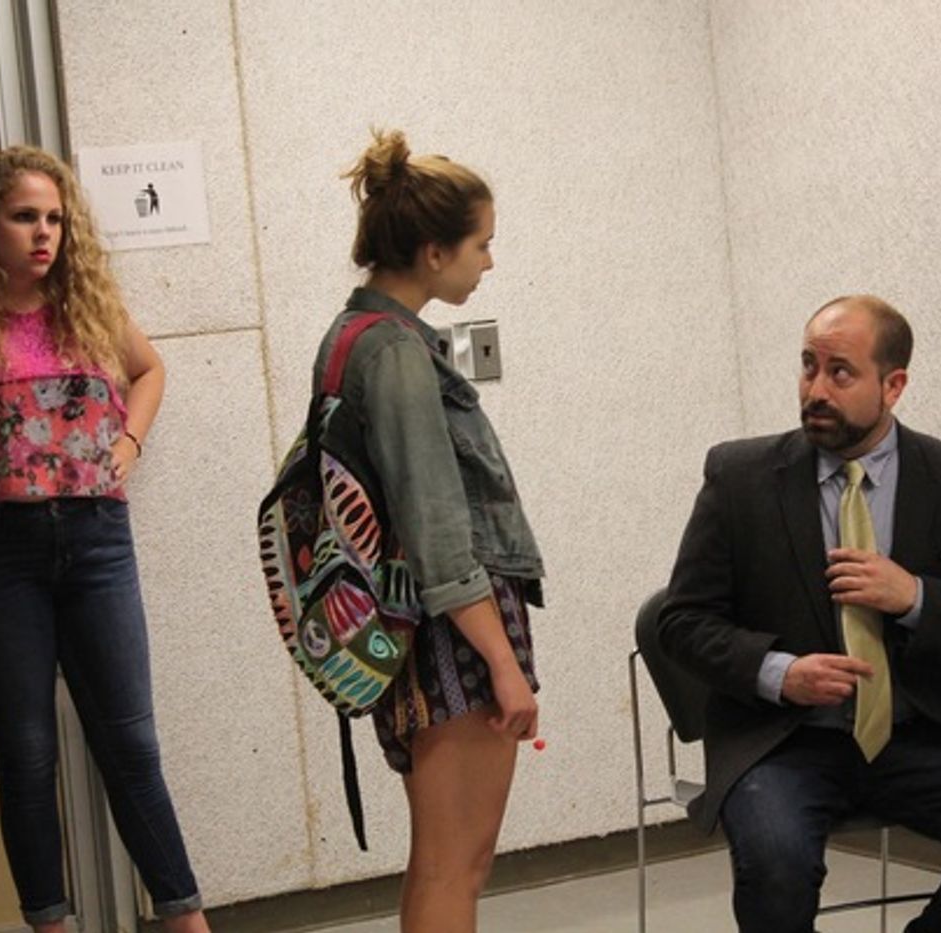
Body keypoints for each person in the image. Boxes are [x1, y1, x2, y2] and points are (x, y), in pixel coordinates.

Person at [657, 295, 941, 933]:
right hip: (784, 740)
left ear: (892, 385)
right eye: (808, 366)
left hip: (917, 732)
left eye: (839, 372)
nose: (816, 388)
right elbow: (680, 621)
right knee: (777, 861)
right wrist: (779, 671)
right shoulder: (741, 477)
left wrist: (916, 597)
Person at [0, 147, 208, 931]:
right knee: (26, 755)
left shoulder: (85, 305)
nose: (43, 233)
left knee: (130, 744)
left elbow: (148, 370)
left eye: (54, 217)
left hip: (97, 542)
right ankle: (51, 924)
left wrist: (128, 444)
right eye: (25, 216)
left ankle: (185, 918)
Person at [315, 128, 544, 932]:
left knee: (439, 863)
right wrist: (504, 666)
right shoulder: (398, 352)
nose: (488, 262)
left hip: (414, 626)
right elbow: (439, 531)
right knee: (459, 866)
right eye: (481, 244)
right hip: (455, 633)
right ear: (432, 249)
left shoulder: (351, 336)